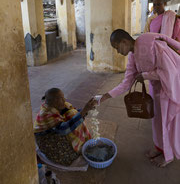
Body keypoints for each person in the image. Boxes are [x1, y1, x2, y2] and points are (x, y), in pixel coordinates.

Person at [98, 29, 180, 168]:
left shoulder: (153, 45)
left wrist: (145, 76)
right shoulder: (132, 56)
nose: (118, 52)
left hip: (172, 86)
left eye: (117, 47)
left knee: (169, 122)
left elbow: (170, 71)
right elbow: (127, 82)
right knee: (157, 121)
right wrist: (105, 96)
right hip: (158, 89)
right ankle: (160, 148)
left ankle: (168, 155)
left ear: (124, 41)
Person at [34, 88, 96, 166]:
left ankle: (80, 142)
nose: (64, 100)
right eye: (61, 98)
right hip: (48, 139)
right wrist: (83, 111)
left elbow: (76, 114)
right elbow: (64, 129)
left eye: (63, 97)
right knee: (68, 156)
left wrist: (86, 110)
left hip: (57, 130)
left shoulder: (58, 106)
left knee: (73, 113)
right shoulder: (46, 114)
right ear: (54, 101)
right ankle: (77, 146)